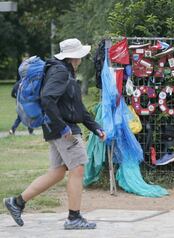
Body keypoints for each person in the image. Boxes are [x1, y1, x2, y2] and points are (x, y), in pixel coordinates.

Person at [3, 38, 106, 230]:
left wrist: (95, 127)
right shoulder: (60, 72)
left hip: (56, 128)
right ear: (74, 57)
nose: (82, 58)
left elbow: (77, 107)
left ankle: (16, 202)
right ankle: (74, 218)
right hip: (63, 129)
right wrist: (62, 126)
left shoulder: (64, 72)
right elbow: (47, 98)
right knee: (78, 169)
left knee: (57, 173)